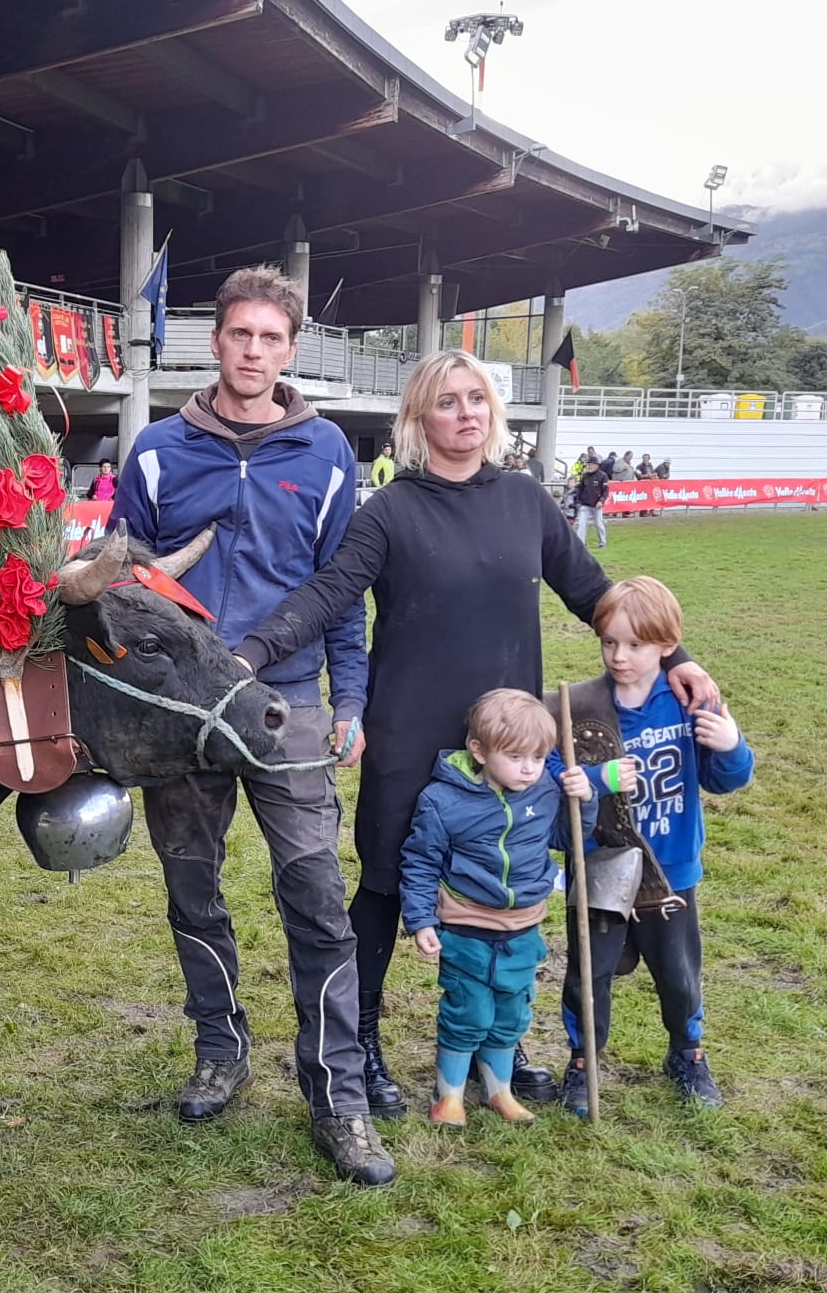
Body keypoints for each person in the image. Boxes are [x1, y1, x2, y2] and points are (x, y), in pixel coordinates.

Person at [233, 349, 719, 1122]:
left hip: (513, 743)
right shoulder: (390, 511)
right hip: (410, 735)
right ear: (420, 418)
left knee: (516, 883)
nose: (466, 413)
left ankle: (503, 1043)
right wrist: (249, 654)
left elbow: (595, 593)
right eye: (447, 402)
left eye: (477, 400)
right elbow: (329, 594)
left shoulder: (526, 500)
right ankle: (360, 1047)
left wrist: (681, 660)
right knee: (389, 886)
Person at [110, 264, 393, 1188]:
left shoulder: (326, 456)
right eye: (241, 335)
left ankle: (337, 1098)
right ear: (216, 341)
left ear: (290, 349)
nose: (255, 352)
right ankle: (219, 1048)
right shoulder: (154, 450)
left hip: (289, 706)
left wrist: (349, 700)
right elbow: (121, 592)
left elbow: (341, 591)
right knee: (193, 889)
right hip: (183, 719)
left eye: (272, 339)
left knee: (314, 891)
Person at [558, 577, 754, 1113]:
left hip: (672, 871)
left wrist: (731, 746)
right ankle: (583, 1061)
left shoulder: (691, 700)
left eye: (636, 645)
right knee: (589, 973)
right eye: (609, 643)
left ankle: (687, 1053)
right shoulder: (580, 706)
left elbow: (726, 779)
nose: (620, 656)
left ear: (668, 646)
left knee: (679, 973)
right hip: (600, 866)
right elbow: (557, 773)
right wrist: (596, 780)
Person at [400, 689, 596, 1128]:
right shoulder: (443, 801)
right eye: (515, 757)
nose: (529, 768)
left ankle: (499, 1090)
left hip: (523, 927)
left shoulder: (545, 789)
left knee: (512, 1013)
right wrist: (420, 920)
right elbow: (420, 861)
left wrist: (584, 801)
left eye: (539, 757)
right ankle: (447, 1096)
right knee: (468, 1012)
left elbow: (569, 840)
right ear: (479, 751)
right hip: (467, 927)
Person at [574, 458, 610, 548]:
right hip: (585, 504)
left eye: (591, 464)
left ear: (596, 465)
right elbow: (580, 488)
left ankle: (602, 542)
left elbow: (605, 491)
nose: (589, 466)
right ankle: (580, 544)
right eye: (588, 464)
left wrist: (601, 501)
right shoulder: (585, 475)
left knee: (598, 524)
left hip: (596, 505)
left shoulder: (603, 476)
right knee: (581, 524)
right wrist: (578, 500)